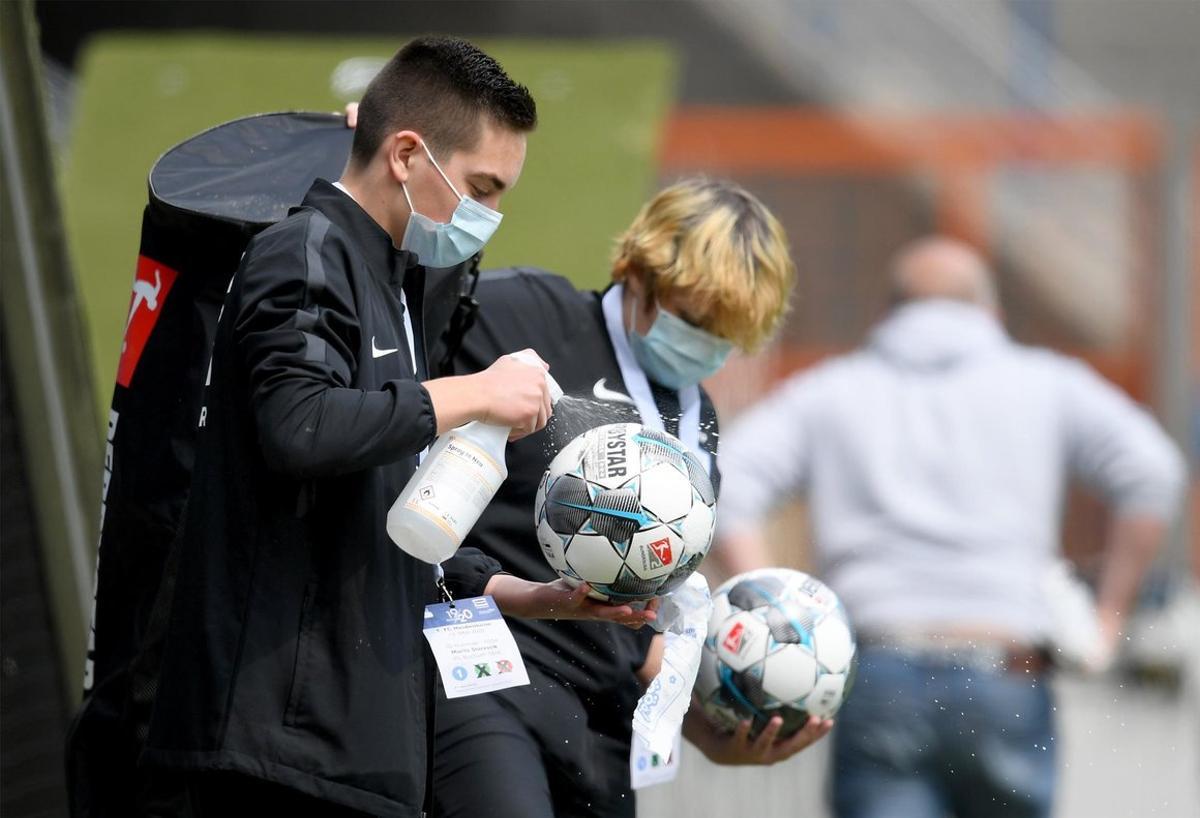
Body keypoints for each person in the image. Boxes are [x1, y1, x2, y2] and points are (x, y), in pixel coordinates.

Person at [136, 37, 650, 818]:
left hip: (362, 756)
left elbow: (399, 519)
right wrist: (475, 394)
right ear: (408, 154)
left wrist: (531, 596)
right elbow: (301, 426)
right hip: (275, 749)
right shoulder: (301, 251)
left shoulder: (394, 285)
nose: (490, 216)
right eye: (482, 187)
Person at [714, 236, 1188, 818]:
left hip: (879, 670)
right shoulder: (1046, 382)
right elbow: (1153, 471)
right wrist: (1110, 612)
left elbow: (726, 479)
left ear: (891, 313)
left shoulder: (832, 391)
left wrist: (776, 614)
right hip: (1007, 670)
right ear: (990, 312)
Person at [429, 178, 831, 818]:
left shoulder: (697, 421)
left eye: (724, 333)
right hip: (486, 669)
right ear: (639, 272)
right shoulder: (521, 312)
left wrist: (711, 731)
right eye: (694, 319)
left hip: (602, 721)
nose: (703, 342)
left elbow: (639, 618)